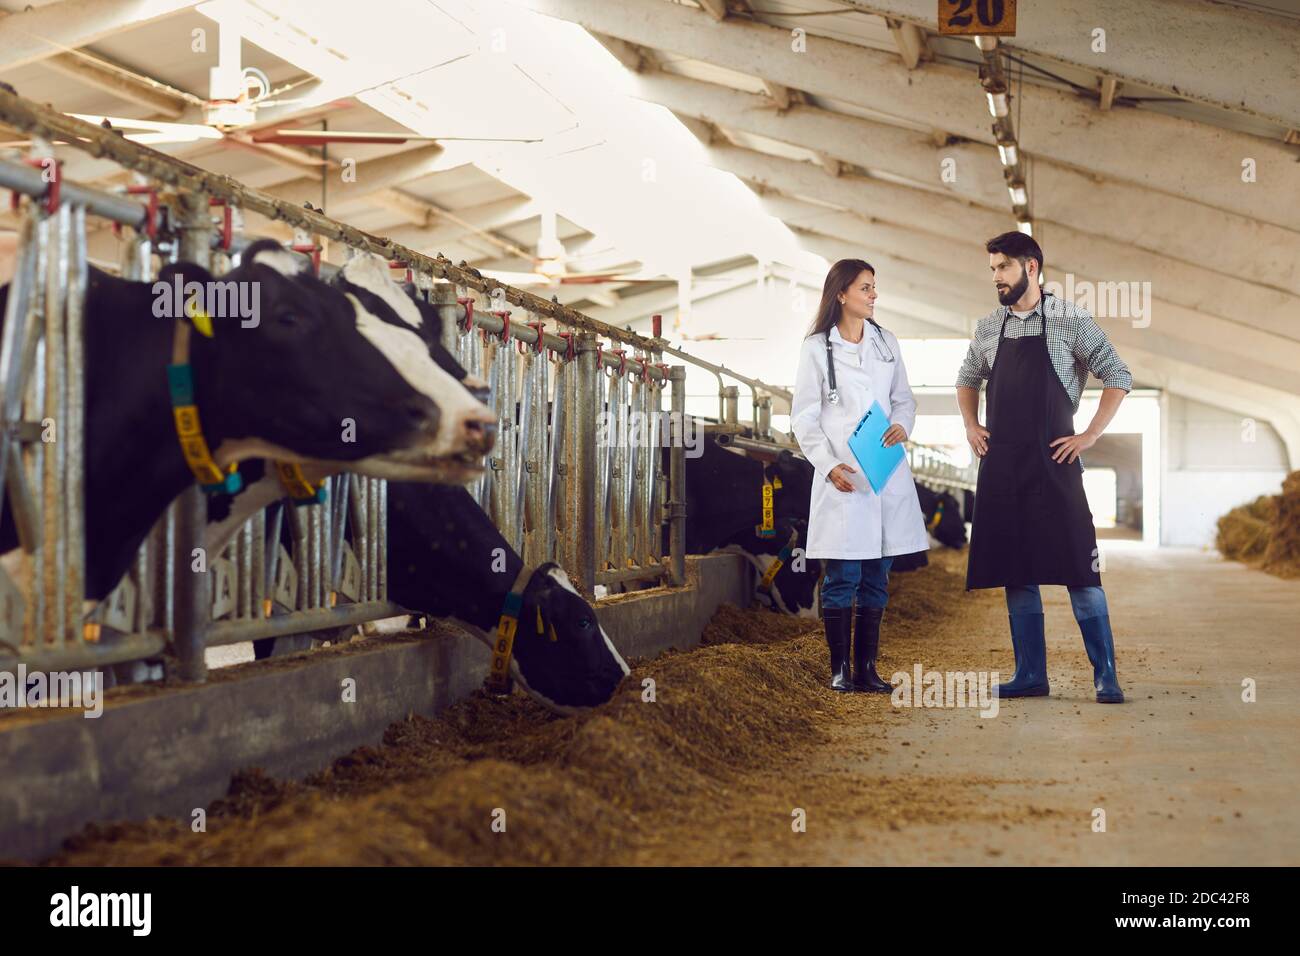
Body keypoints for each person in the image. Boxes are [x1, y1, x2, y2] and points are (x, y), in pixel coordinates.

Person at [956, 231, 1131, 704]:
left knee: (1080, 568)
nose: (995, 277)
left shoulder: (1071, 319)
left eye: (1003, 267)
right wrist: (972, 425)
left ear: (1030, 267)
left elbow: (1118, 374)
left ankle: (1105, 675)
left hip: (1056, 463)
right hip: (1004, 465)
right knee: (1017, 569)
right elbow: (967, 378)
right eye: (992, 268)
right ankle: (1030, 674)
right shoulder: (990, 327)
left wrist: (1090, 434)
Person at [791, 259, 930, 693]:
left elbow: (904, 399)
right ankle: (839, 670)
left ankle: (867, 669)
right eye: (865, 288)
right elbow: (804, 416)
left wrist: (903, 424)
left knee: (877, 576)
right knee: (842, 577)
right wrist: (828, 465)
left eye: (874, 288)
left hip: (885, 471)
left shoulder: (887, 342)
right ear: (841, 294)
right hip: (845, 476)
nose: (873, 295)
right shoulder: (817, 348)